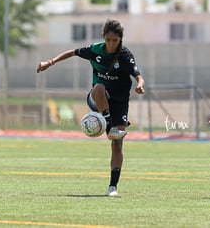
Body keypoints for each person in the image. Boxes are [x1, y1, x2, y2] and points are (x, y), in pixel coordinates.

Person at [36, 19, 145, 197]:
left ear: (120, 40)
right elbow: (73, 52)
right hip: (98, 97)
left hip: (119, 101)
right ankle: (108, 124)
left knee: (117, 144)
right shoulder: (95, 50)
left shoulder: (125, 55)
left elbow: (139, 76)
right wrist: (50, 62)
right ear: (104, 38)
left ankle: (112, 187)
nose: (111, 43)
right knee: (100, 87)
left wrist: (140, 85)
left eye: (115, 40)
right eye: (108, 39)